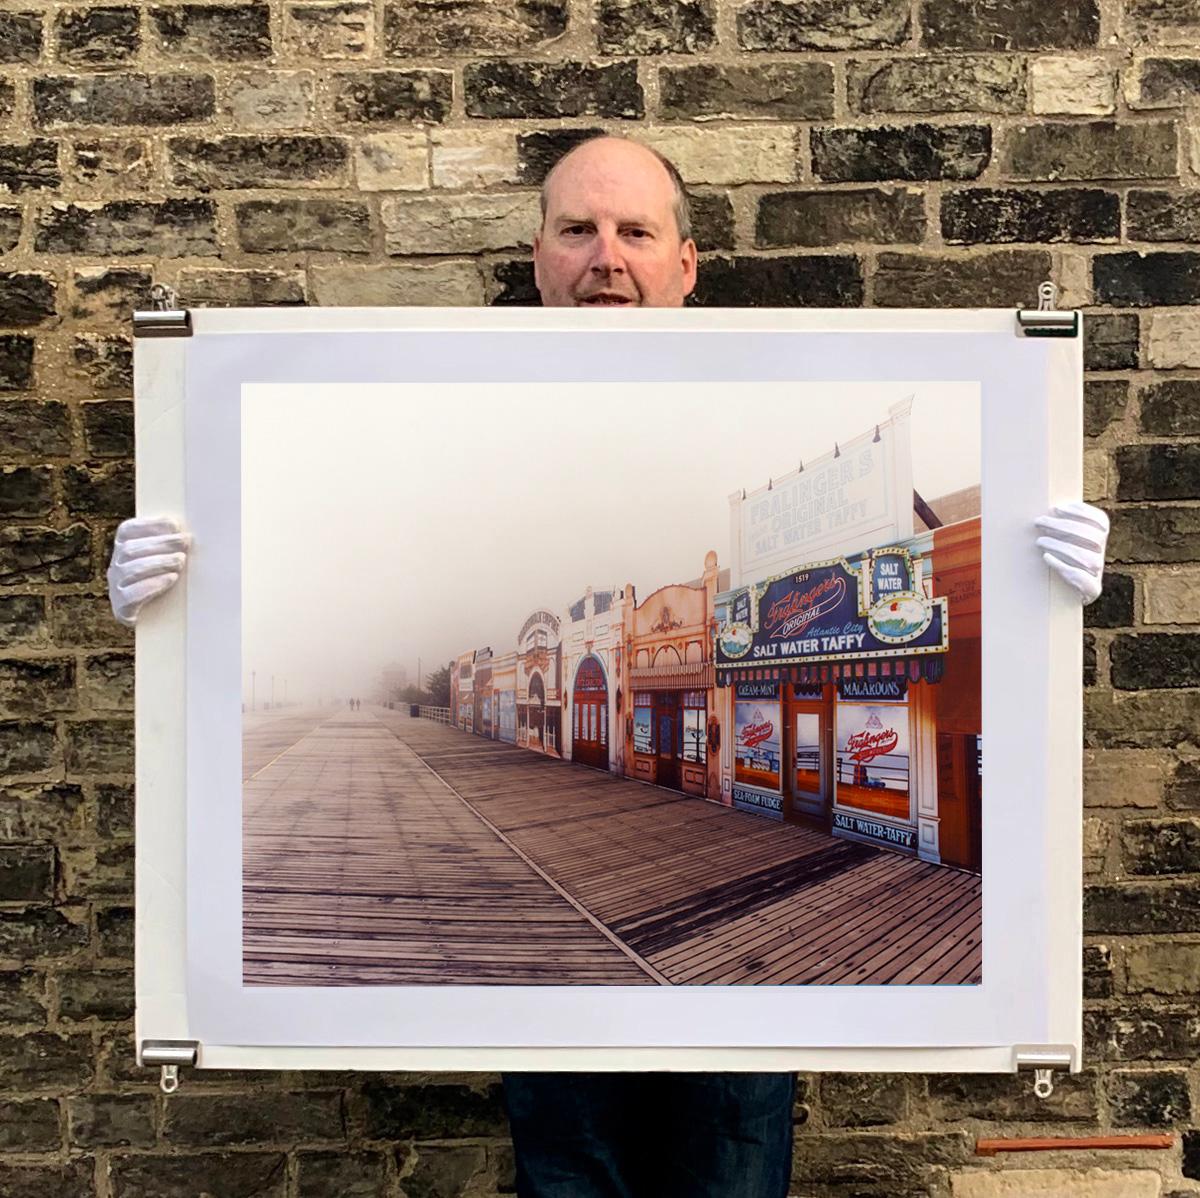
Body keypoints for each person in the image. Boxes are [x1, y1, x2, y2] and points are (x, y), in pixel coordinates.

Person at [109, 135, 1110, 1197]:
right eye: (579, 230)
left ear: (687, 262)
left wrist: (1037, 585)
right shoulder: (454, 415)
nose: (606, 257)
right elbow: (330, 544)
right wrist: (185, 606)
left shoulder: (776, 391)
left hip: (748, 993)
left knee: (730, 1169)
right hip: (552, 985)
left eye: (636, 231)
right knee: (567, 1170)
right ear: (537, 255)